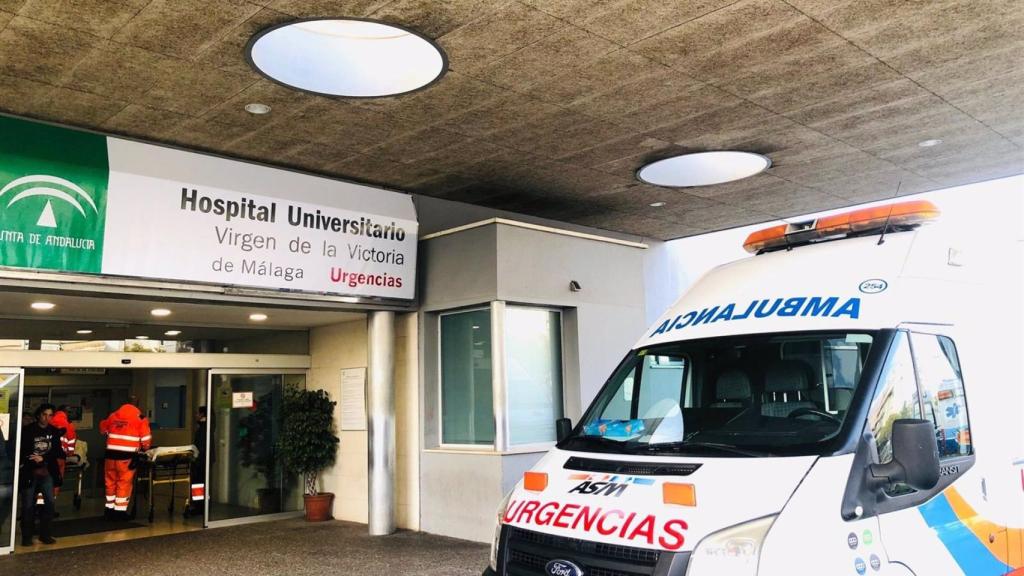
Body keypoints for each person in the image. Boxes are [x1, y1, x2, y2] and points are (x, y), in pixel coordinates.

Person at [19, 403, 61, 545]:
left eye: (50, 415)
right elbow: (22, 449)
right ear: (39, 415)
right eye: (44, 414)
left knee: (49, 503)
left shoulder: (54, 431)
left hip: (47, 471)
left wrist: (44, 458)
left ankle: (45, 534)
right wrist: (32, 458)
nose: (47, 418)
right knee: (28, 505)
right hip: (30, 470)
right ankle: (26, 537)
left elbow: (57, 451)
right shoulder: (28, 430)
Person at [99, 403, 151, 519]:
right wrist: (144, 448)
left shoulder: (113, 416)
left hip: (110, 456)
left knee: (110, 482)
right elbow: (146, 440)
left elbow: (103, 429)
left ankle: (109, 509)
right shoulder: (140, 419)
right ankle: (119, 512)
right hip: (127, 457)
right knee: (123, 483)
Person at [187, 406, 208, 515]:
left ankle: (198, 506)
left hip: (200, 460)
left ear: (202, 415)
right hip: (204, 460)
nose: (196, 415)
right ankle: (200, 505)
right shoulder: (207, 427)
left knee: (197, 483)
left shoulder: (203, 429)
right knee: (201, 483)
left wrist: (196, 458)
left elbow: (201, 446)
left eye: (197, 413)